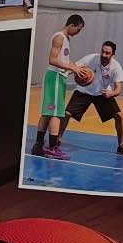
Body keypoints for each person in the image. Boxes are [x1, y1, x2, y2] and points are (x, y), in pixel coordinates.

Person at [60, 39, 123, 155]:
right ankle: (57, 140)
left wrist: (112, 93)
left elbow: (118, 89)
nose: (104, 54)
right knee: (66, 114)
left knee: (118, 116)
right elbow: (74, 66)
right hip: (83, 91)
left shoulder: (116, 67)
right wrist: (67, 73)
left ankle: (121, 145)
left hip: (101, 93)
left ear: (113, 54)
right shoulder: (91, 58)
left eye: (107, 53)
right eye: (102, 51)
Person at [35, 15, 86, 160]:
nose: (78, 33)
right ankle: (52, 148)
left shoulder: (66, 39)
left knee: (47, 113)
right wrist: (73, 68)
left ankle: (38, 146)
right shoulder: (59, 37)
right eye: (78, 29)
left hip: (58, 77)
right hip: (55, 77)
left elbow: (63, 60)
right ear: (72, 25)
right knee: (56, 114)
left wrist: (75, 66)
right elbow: (52, 59)